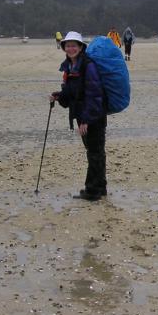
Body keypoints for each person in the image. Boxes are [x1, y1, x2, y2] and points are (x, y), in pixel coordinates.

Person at [50, 31, 107, 201]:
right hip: (84, 115)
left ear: (81, 47)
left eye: (74, 45)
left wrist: (86, 120)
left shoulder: (87, 65)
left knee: (94, 152)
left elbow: (94, 94)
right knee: (96, 151)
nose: (71, 48)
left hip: (93, 116)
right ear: (63, 48)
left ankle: (92, 191)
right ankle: (100, 187)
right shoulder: (70, 66)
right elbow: (72, 93)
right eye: (68, 45)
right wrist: (59, 95)